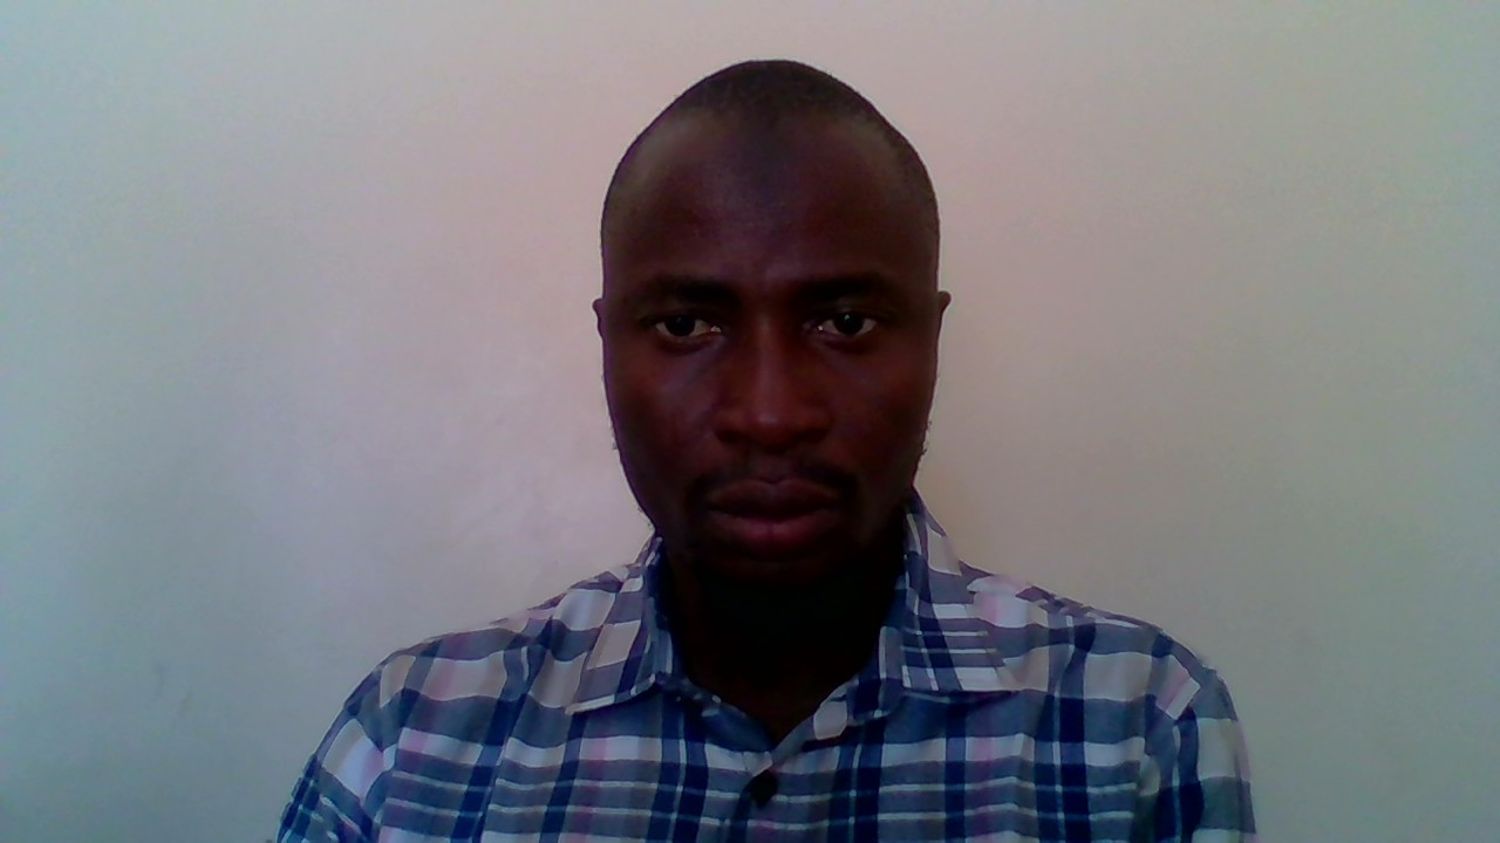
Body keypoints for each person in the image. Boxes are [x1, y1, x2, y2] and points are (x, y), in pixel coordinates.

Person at [278, 59, 1254, 841]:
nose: (770, 413)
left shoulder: (1138, 724)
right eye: (686, 326)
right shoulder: (411, 737)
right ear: (608, 343)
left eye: (845, 321)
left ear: (932, 339)